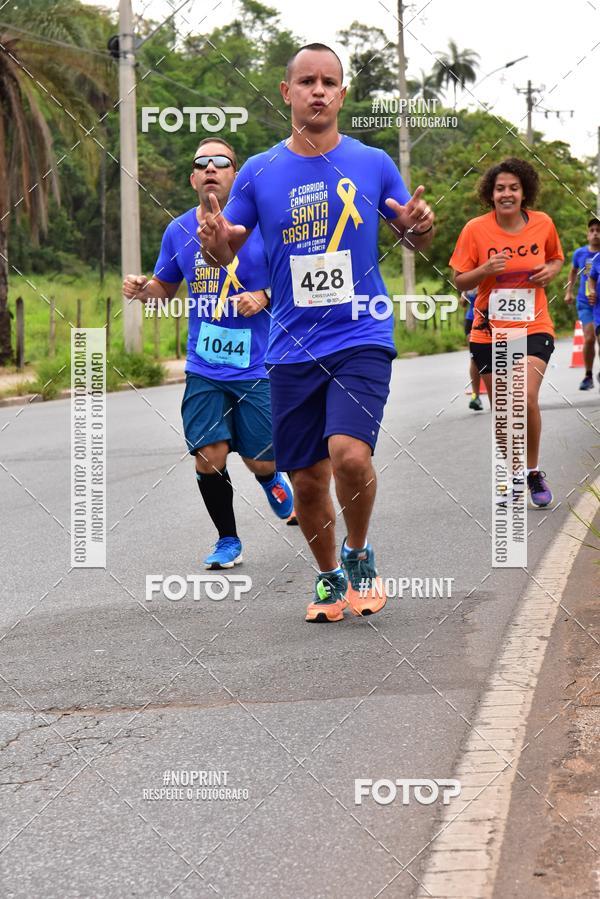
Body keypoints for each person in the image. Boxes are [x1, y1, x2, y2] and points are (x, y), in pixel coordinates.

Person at [199, 43, 434, 622]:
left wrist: (418, 226)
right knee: (305, 478)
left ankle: (359, 555)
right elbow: (227, 245)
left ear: (343, 94)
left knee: (349, 455)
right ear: (287, 92)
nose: (319, 91)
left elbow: (412, 234)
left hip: (360, 334)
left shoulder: (372, 161)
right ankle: (328, 575)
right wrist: (215, 241)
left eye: (329, 82)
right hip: (290, 346)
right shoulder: (259, 171)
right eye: (307, 81)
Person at [122, 137, 294, 569]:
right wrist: (144, 289)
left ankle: (271, 477)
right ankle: (228, 540)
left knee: (260, 460)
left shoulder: (263, 225)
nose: (211, 168)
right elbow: (165, 288)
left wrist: (264, 295)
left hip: (258, 364)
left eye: (222, 162)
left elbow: (295, 279)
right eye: (203, 163)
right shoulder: (178, 230)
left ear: (236, 174)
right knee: (208, 456)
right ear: (193, 178)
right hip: (205, 364)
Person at [450, 157, 563, 508]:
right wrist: (485, 269)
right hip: (489, 331)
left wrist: (551, 271)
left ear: (524, 192)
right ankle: (514, 473)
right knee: (503, 409)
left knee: (523, 397)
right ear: (491, 193)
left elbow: (556, 258)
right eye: (500, 188)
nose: (507, 194)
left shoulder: (543, 224)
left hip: (533, 326)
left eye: (514, 188)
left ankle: (533, 471)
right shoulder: (475, 230)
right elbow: (459, 281)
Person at [565, 217, 600, 389]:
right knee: (589, 337)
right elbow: (573, 272)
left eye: (598, 231)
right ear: (587, 234)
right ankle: (588, 375)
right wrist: (569, 291)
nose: (595, 234)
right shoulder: (580, 254)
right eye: (592, 230)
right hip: (585, 302)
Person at [461, 288, 483, 410]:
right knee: (474, 358)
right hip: (473, 321)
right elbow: (462, 302)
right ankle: (475, 396)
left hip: (492, 319)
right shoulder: (472, 280)